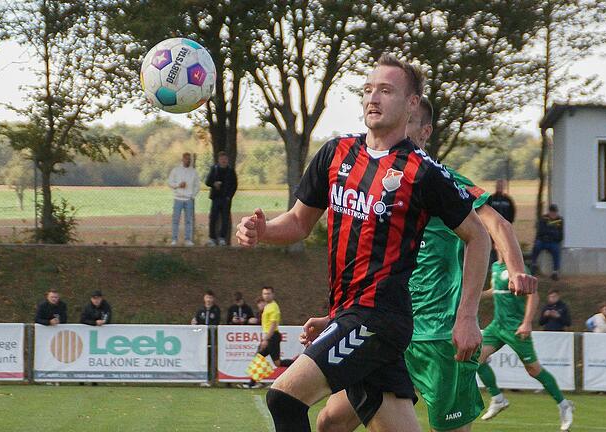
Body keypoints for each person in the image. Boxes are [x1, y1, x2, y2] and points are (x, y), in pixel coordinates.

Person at [237, 53, 497, 432]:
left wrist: (468, 316)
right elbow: (297, 222)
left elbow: (479, 236)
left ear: (411, 104)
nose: (373, 98)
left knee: (284, 398)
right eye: (368, 90)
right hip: (352, 316)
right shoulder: (335, 153)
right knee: (332, 426)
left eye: (386, 90)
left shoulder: (423, 173)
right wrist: (263, 232)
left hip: (379, 319)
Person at [316, 98, 537, 432]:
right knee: (330, 421)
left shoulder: (441, 180)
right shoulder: (376, 183)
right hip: (387, 328)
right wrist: (338, 317)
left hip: (439, 335)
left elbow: (496, 224)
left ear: (424, 132)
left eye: (406, 124)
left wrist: (516, 269)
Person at [476, 244, 574, 431]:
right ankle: (498, 399)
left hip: (515, 327)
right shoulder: (496, 267)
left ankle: (564, 404)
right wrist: (474, 295)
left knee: (533, 370)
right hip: (497, 326)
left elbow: (533, 296)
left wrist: (527, 322)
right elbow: (494, 291)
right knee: (476, 359)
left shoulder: (519, 269)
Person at [241, 286, 294, 388]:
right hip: (270, 336)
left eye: (268, 293)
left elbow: (273, 325)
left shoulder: (274, 307)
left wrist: (266, 339)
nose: (266, 295)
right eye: (264, 294)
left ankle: (299, 365)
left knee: (275, 362)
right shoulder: (268, 306)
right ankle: (252, 383)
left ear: (273, 295)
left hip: (272, 336)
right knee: (263, 358)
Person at [168, 152, 200, 246]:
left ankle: (188, 240)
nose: (188, 161)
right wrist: (178, 186)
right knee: (175, 220)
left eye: (189, 159)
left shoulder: (193, 172)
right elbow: (170, 182)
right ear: (182, 159)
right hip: (178, 198)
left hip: (188, 199)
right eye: (186, 159)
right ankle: (174, 239)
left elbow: (197, 185)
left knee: (188, 220)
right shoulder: (176, 170)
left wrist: (192, 196)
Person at [205, 151, 237, 246]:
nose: (224, 161)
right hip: (215, 198)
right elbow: (207, 182)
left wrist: (229, 196)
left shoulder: (231, 171)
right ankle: (212, 238)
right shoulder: (214, 169)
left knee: (225, 219)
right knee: (213, 218)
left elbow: (234, 185)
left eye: (225, 159)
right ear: (218, 160)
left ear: (227, 160)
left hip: (226, 199)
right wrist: (214, 183)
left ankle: (222, 238)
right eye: (222, 159)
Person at [531, 204, 564, 280]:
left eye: (555, 212)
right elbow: (541, 231)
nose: (553, 214)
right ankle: (533, 264)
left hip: (553, 242)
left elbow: (560, 234)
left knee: (556, 251)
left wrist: (550, 233)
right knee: (537, 246)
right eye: (552, 212)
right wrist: (552, 232)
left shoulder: (560, 220)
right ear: (549, 212)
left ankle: (555, 272)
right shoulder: (544, 219)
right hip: (543, 241)